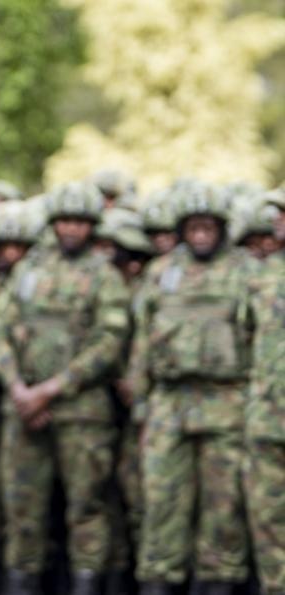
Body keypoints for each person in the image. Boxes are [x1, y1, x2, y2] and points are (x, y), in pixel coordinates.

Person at [0, 181, 130, 595]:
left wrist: (49, 390)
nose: (71, 229)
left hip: (82, 413)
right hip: (23, 411)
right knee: (22, 512)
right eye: (64, 221)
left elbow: (109, 343)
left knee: (87, 510)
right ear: (53, 223)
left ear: (92, 226)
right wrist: (18, 388)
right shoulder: (29, 271)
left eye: (80, 222)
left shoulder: (104, 276)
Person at [125, 181, 258, 595]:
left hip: (227, 401)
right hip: (170, 403)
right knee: (162, 502)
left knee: (223, 507)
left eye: (208, 227)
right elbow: (142, 343)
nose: (200, 235)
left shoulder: (246, 271)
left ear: (222, 229)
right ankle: (159, 578)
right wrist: (140, 405)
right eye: (193, 227)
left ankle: (217, 582)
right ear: (182, 229)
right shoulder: (162, 272)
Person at [243, 189, 284, 595]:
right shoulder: (260, 275)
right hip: (267, 421)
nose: (280, 221)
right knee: (268, 519)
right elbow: (241, 337)